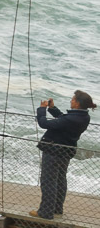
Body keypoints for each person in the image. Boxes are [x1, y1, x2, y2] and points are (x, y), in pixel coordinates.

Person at [33, 90, 93, 219]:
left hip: (53, 150)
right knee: (60, 180)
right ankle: (57, 209)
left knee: (48, 181)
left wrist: (42, 109)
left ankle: (45, 212)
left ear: (77, 104)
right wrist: (53, 108)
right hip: (65, 151)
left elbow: (44, 124)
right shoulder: (83, 117)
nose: (71, 101)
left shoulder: (72, 118)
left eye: (73, 99)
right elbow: (62, 119)